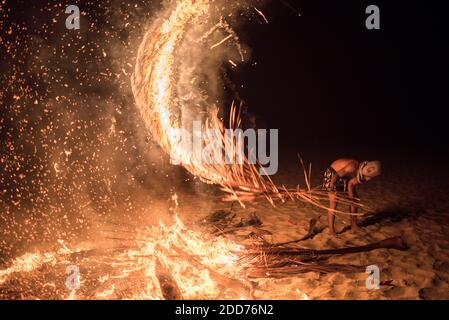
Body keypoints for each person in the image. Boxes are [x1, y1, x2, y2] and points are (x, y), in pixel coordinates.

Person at [322, 159, 381, 236]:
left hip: (345, 177)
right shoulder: (352, 166)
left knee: (355, 200)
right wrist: (331, 185)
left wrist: (351, 199)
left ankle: (354, 225)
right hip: (334, 174)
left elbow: (351, 184)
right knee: (334, 202)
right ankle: (331, 230)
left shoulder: (364, 174)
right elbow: (337, 175)